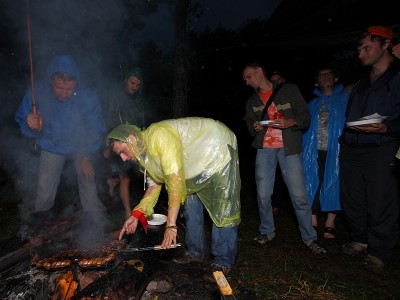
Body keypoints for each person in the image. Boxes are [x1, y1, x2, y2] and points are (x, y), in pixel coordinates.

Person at [107, 118, 241, 278]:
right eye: (119, 155)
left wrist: (171, 225)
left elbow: (174, 183)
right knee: (189, 204)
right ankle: (195, 252)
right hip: (194, 162)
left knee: (223, 207)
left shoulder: (159, 136)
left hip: (217, 147)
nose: (123, 158)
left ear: (132, 139)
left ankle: (223, 261)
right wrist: (136, 214)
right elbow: (155, 184)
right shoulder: (142, 154)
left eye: (122, 151)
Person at [243, 62, 326, 255]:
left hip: (289, 149)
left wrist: (292, 121)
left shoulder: (289, 90)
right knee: (263, 195)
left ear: (259, 71)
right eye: (245, 79)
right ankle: (267, 232)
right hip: (265, 150)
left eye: (248, 76)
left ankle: (310, 237)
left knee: (299, 196)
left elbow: (305, 118)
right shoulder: (252, 101)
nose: (247, 82)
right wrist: (254, 127)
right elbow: (249, 126)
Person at [339, 25, 400, 273]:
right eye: (359, 49)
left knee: (380, 200)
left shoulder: (397, 76)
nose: (361, 54)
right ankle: (360, 238)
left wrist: (388, 128)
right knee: (353, 197)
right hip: (353, 145)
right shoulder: (363, 80)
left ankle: (380, 251)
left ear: (386, 44)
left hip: (381, 146)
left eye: (367, 48)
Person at [15, 55, 106, 216]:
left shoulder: (88, 97)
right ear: (51, 81)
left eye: (69, 89)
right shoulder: (36, 93)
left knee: (88, 179)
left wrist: (86, 155)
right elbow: (22, 122)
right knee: (45, 187)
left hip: (80, 145)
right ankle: (40, 220)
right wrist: (30, 125)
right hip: (51, 144)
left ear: (76, 84)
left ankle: (94, 219)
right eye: (59, 88)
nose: (64, 94)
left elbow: (96, 130)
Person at [302, 67, 349, 239]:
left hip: (336, 149)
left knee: (334, 181)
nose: (326, 76)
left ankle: (330, 221)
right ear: (316, 82)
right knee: (312, 180)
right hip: (313, 150)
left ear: (335, 78)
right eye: (321, 74)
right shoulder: (312, 104)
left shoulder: (346, 99)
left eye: (329, 73)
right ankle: (313, 218)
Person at [103, 67, 148, 219]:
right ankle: (129, 214)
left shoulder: (139, 100)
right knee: (126, 177)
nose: (134, 87)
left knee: (136, 174)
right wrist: (107, 144)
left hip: (136, 144)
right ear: (126, 81)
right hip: (121, 144)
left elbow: (142, 122)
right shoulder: (116, 98)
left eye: (138, 84)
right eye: (132, 83)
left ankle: (112, 181)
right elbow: (109, 122)